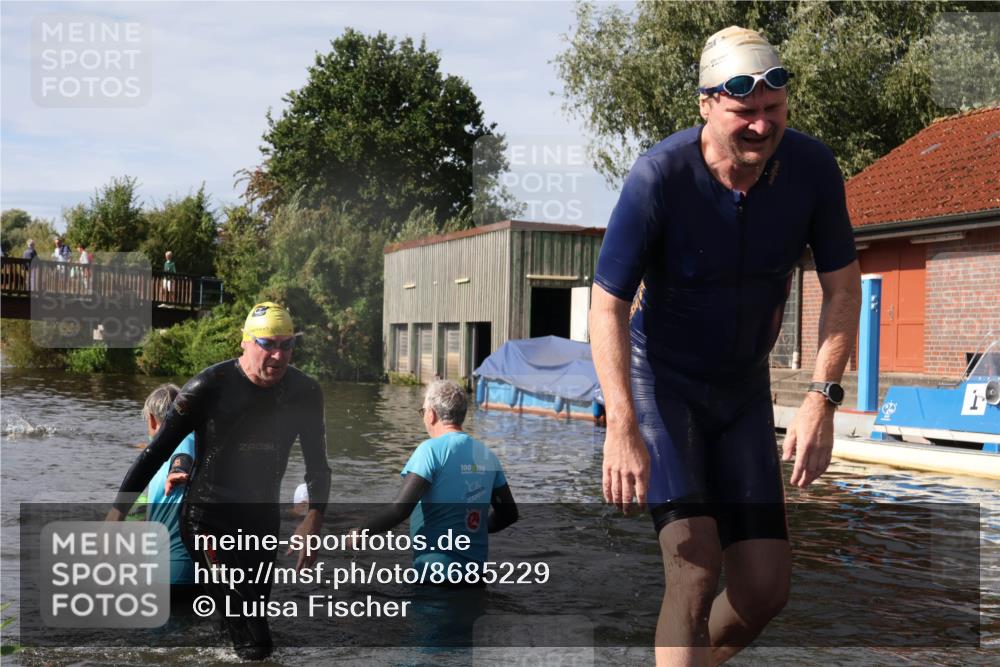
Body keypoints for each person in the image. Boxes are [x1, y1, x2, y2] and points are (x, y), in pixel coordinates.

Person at [589, 26, 861, 666]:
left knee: (764, 588)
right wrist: (621, 424)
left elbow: (843, 288)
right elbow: (607, 306)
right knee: (694, 565)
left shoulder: (812, 169)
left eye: (774, 109)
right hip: (663, 383)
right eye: (745, 112)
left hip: (742, 391)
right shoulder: (659, 176)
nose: (763, 127)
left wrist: (820, 399)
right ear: (708, 104)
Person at [108, 302, 332, 660]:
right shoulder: (209, 386)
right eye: (268, 344)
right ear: (246, 342)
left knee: (243, 621)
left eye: (287, 345)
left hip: (260, 523)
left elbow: (318, 464)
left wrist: (314, 518)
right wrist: (117, 513)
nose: (278, 355)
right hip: (207, 520)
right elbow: (156, 452)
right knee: (256, 641)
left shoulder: (304, 392)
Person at [358, 380, 518, 571]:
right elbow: (509, 514)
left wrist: (361, 532)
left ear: (431, 414)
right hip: (475, 576)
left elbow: (400, 509)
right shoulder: (487, 455)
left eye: (422, 411)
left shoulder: (430, 451)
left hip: (434, 574)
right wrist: (476, 527)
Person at [139, 383, 199, 608]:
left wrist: (178, 469)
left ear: (153, 420)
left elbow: (183, 456)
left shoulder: (183, 441)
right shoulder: (199, 442)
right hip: (183, 570)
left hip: (172, 573)